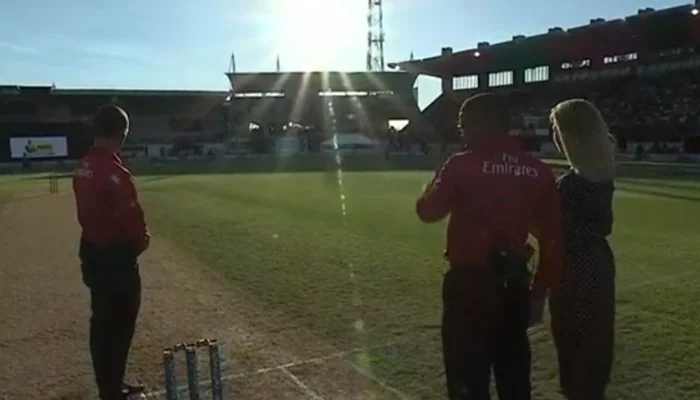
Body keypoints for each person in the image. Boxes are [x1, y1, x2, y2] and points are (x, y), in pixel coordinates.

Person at [416, 93, 564, 400]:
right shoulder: (538, 171)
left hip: (468, 288)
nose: (461, 131)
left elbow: (427, 212)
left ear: (478, 124)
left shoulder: (460, 165)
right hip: (514, 286)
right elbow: (553, 239)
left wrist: (433, 182)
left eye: (463, 124)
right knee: (514, 378)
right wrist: (538, 294)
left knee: (467, 380)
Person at [73, 104, 150, 400]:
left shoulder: (84, 164)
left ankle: (109, 385)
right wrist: (141, 240)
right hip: (115, 258)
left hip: (92, 250)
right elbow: (133, 218)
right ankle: (112, 389)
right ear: (123, 134)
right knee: (119, 324)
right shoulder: (115, 172)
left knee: (102, 322)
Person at [548, 99, 616, 400]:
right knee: (596, 355)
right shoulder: (603, 177)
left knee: (574, 363)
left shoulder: (568, 187)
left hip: (571, 274)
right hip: (599, 268)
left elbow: (551, 234)